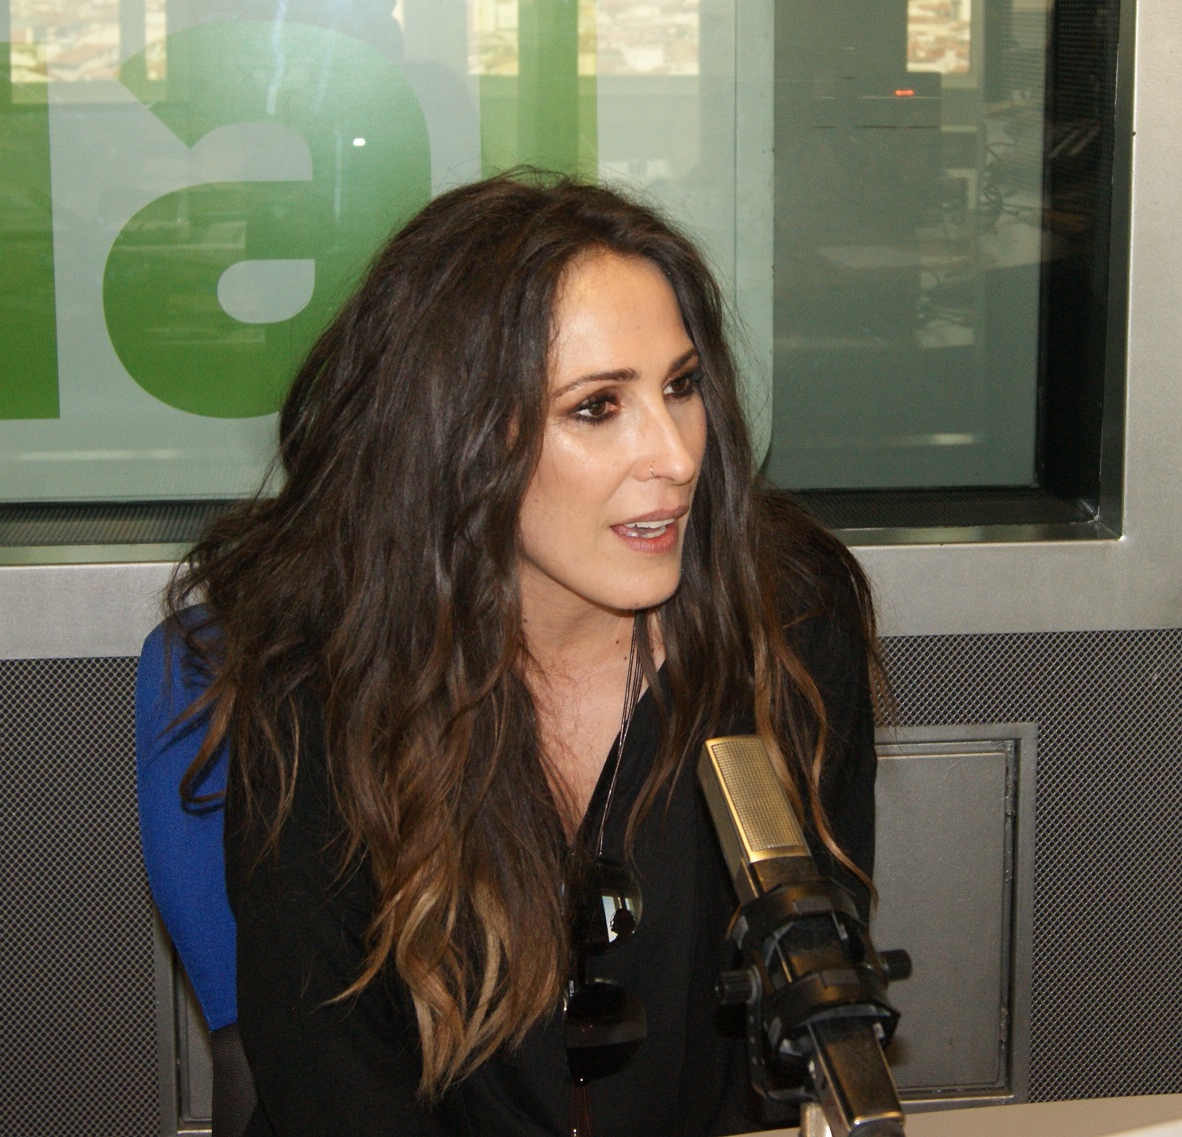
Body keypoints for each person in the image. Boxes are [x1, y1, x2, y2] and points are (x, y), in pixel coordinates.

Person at [135, 172, 881, 1137]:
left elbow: (795, 1033)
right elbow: (338, 1090)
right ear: (460, 437)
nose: (677, 455)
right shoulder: (322, 673)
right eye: (597, 407)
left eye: (681, 386)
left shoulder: (787, 627)